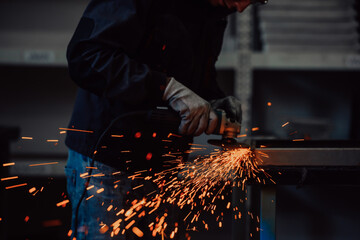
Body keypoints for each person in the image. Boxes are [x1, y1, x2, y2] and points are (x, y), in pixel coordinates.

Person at [65, 0, 254, 239]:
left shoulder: (215, 10)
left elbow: (193, 75)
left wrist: (213, 100)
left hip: (162, 163)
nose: (242, 8)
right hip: (107, 159)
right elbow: (86, 56)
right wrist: (165, 88)